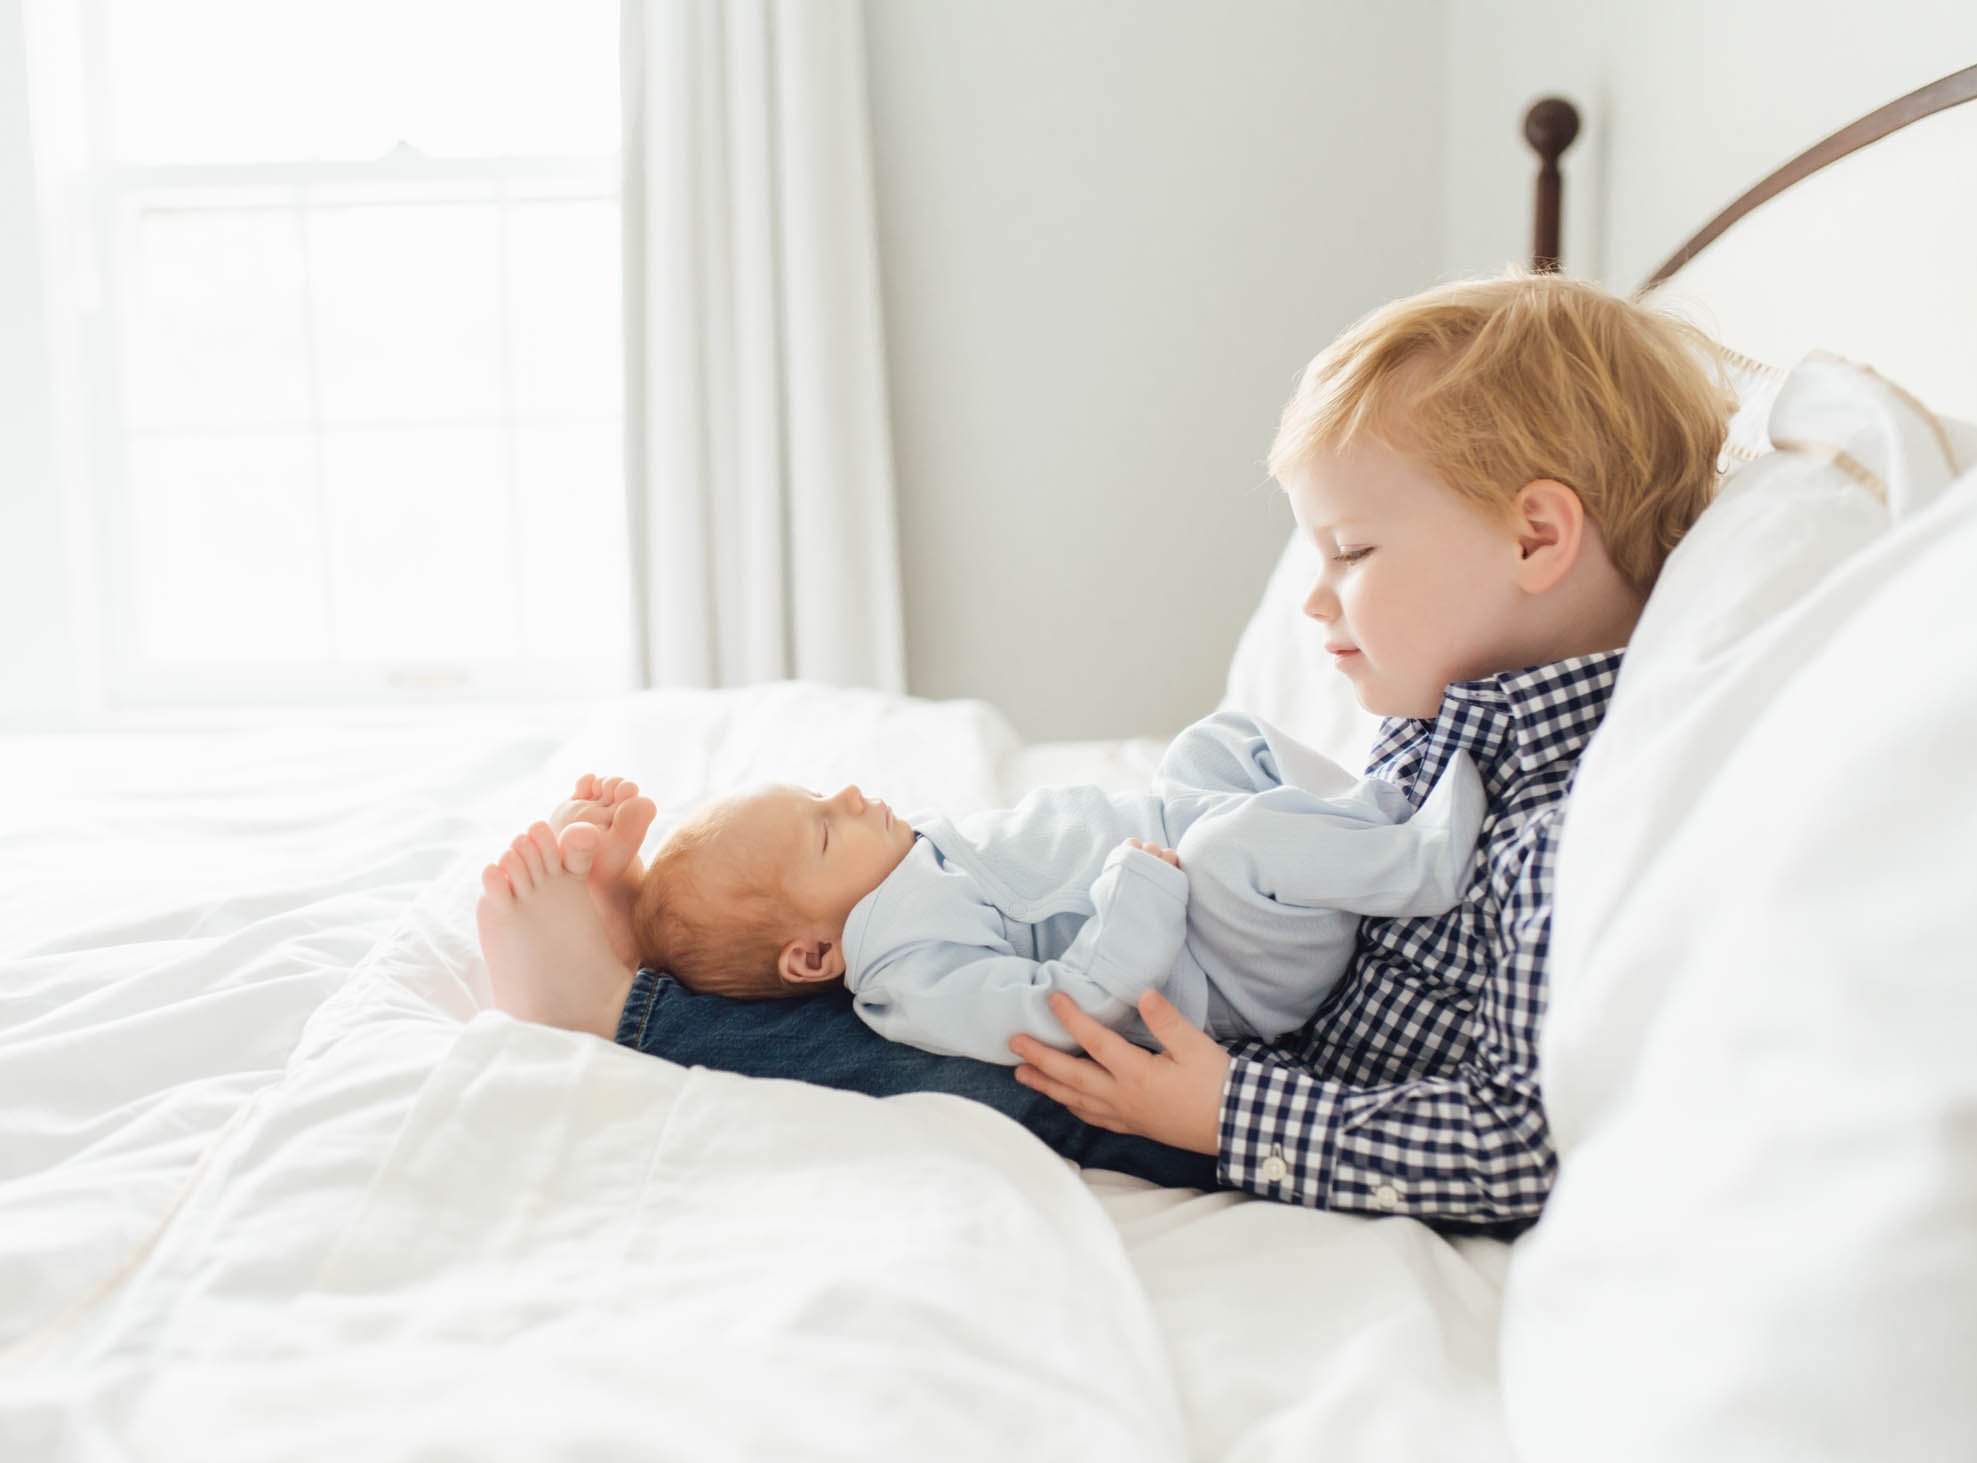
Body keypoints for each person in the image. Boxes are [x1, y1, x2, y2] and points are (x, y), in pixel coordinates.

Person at [476, 265, 1736, 1228]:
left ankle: (624, 1005)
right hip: (1225, 979)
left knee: (964, 1066)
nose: (1313, 604)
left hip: (1248, 1072)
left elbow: (1519, 1143)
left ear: (1534, 539)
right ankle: (675, 919)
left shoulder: (1555, 826)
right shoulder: (1454, 727)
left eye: (1349, 554)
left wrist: (1229, 1111)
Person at [613, 711, 1485, 1067]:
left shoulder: (899, 866)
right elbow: (1067, 1005)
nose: (845, 796)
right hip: (1221, 960)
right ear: (812, 952)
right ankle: (1422, 863)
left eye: (818, 794)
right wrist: (1138, 888)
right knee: (1232, 845)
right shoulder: (910, 976)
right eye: (823, 829)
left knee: (1220, 740)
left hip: (1173, 856)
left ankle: (1362, 816)